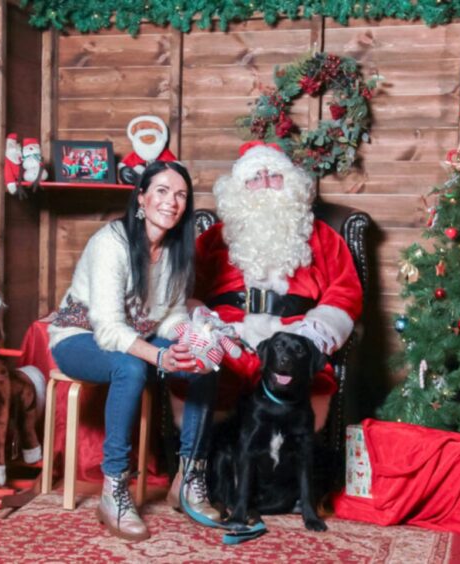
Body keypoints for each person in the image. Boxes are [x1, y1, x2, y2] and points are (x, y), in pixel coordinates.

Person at [48, 160, 221, 541]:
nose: (171, 202)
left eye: (180, 195)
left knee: (201, 365)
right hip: (80, 336)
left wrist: (193, 338)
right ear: (141, 198)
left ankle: (188, 478)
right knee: (130, 368)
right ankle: (114, 490)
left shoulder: (178, 249)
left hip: (135, 335)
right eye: (161, 191)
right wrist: (159, 356)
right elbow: (109, 329)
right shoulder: (111, 242)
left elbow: (170, 316)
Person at [193, 141, 363, 421]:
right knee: (206, 375)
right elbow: (186, 290)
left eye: (274, 175)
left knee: (307, 383)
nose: (266, 185)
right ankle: (202, 458)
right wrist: (206, 327)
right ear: (240, 189)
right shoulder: (214, 237)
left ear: (291, 183)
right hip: (228, 335)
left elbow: (345, 291)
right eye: (255, 178)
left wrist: (311, 335)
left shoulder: (321, 235)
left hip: (293, 334)